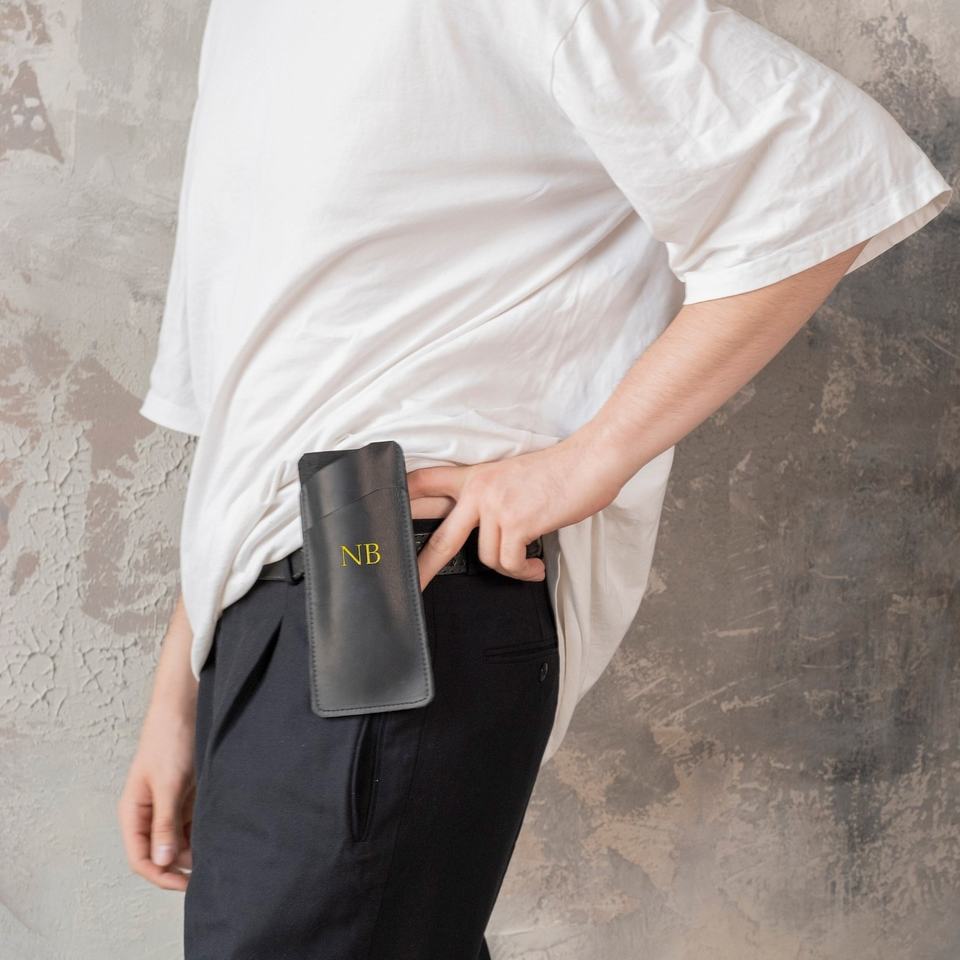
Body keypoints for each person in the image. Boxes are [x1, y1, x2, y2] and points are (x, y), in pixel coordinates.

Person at [116, 0, 951, 957]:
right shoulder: (244, 21)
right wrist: (180, 688)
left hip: (393, 585)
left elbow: (817, 166)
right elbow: (251, 402)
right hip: (269, 613)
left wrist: (588, 460)